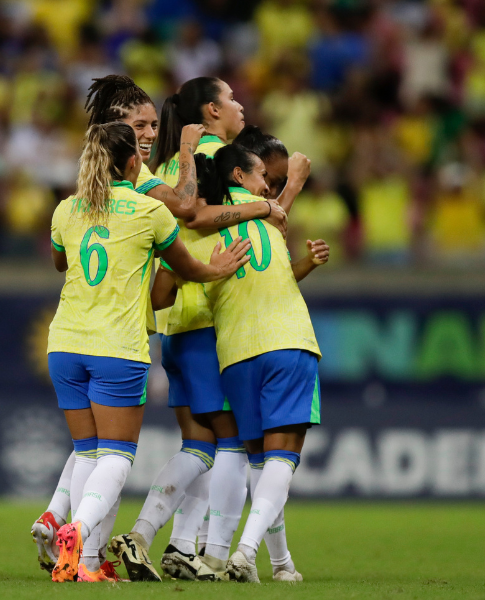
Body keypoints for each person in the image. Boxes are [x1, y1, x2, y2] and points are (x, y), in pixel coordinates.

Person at [31, 74, 285, 575]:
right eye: (140, 126)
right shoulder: (151, 194)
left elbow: (60, 261)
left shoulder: (68, 206)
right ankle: (166, 543)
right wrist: (269, 199)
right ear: (121, 140)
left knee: (91, 451)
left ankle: (79, 543)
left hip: (70, 339)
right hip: (151, 332)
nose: (150, 133)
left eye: (153, 123)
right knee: (178, 448)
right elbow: (189, 212)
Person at [110, 77, 282, 582]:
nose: (240, 105)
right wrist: (271, 201)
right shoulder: (211, 155)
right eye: (231, 98)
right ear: (211, 109)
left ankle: (179, 545)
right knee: (229, 442)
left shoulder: (164, 164)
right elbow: (198, 214)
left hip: (175, 319)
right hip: (207, 311)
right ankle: (189, 545)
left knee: (199, 443)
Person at [151, 144, 325, 584]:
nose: (267, 185)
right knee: (281, 459)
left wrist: (200, 273)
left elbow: (160, 296)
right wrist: (289, 191)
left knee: (253, 460)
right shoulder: (269, 221)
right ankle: (244, 552)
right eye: (261, 176)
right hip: (288, 342)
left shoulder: (198, 228)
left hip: (235, 355)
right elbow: (276, 273)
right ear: (238, 177)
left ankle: (248, 559)